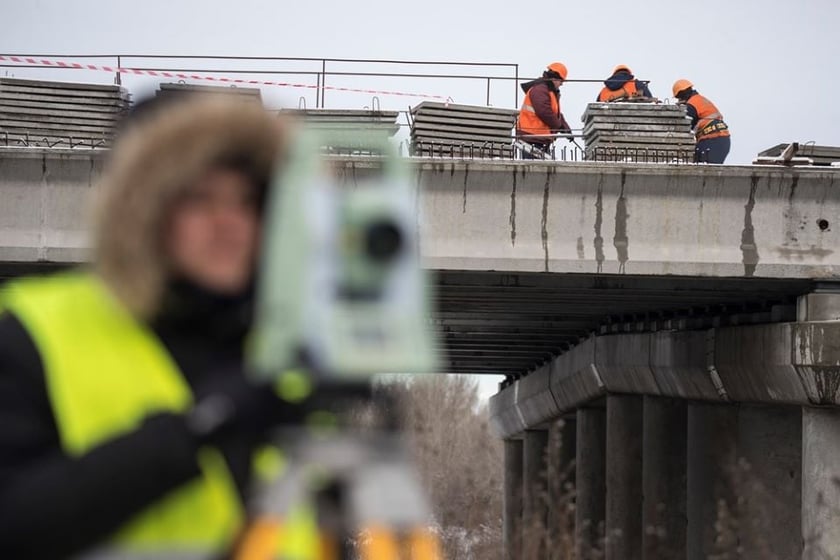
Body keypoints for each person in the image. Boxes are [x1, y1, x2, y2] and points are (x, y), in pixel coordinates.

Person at [0, 95, 322, 559]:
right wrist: (201, 426)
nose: (229, 223)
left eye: (247, 202)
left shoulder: (278, 354)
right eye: (201, 199)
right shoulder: (38, 330)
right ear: (145, 209)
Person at [516, 62, 573, 159]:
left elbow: (555, 113)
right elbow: (544, 111)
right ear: (555, 78)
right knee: (535, 172)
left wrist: (565, 128)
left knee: (542, 171)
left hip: (539, 138)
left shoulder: (549, 91)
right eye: (561, 81)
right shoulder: (540, 90)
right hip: (532, 137)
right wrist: (559, 126)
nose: (562, 84)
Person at [673, 79, 731, 164]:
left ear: (681, 94)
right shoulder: (699, 100)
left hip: (712, 140)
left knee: (703, 169)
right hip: (721, 139)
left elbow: (684, 126)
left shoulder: (692, 105)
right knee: (707, 170)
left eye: (678, 98)